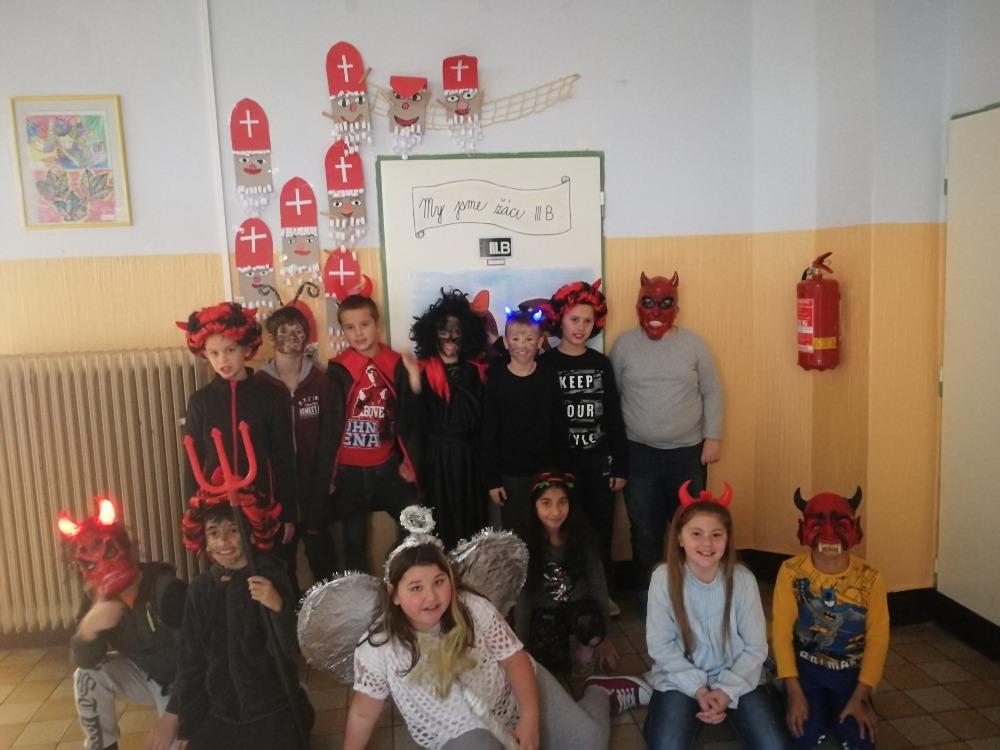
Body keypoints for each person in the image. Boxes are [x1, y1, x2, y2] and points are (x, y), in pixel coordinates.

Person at [343, 507, 650, 750]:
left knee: (587, 741)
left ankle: (600, 693)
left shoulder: (472, 607)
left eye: (439, 582)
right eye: (415, 588)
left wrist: (529, 719)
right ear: (394, 593)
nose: (431, 597)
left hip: (508, 690)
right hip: (456, 724)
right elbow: (363, 712)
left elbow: (515, 661)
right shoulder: (379, 645)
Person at [644, 482, 791, 750]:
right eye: (696, 534)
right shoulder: (663, 578)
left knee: (775, 746)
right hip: (680, 680)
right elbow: (660, 645)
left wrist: (725, 691)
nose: (707, 543)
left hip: (738, 677)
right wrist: (699, 689)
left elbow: (755, 647)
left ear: (727, 539)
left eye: (716, 535)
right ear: (679, 538)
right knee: (666, 745)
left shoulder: (743, 580)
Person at [610, 272, 723, 598]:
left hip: (687, 454)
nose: (656, 312)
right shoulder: (625, 345)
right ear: (638, 306)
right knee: (644, 530)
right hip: (639, 454)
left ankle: (690, 595)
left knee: (691, 527)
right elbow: (612, 397)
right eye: (648, 303)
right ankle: (650, 597)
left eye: (664, 304)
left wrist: (713, 436)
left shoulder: (694, 345)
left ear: (677, 307)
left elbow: (712, 391)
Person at [174, 490, 313, 748]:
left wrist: (278, 607)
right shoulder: (201, 589)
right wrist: (188, 724)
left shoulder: (270, 575)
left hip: (270, 704)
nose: (223, 541)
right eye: (214, 533)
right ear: (205, 541)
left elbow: (290, 647)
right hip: (222, 710)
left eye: (234, 530)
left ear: (250, 534)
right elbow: (191, 660)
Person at [58, 496, 186, 750]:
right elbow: (85, 661)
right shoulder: (96, 599)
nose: (105, 568)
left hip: (183, 682)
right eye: (91, 564)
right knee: (86, 677)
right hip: (146, 675)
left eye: (111, 553)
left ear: (131, 550)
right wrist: (88, 630)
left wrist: (174, 717)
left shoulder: (167, 592)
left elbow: (198, 658)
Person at [178, 302, 297, 558]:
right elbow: (192, 461)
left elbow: (284, 456)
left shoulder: (271, 396)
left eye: (230, 350)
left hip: (262, 505)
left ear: (246, 349)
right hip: (216, 509)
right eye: (214, 353)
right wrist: (193, 514)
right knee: (225, 570)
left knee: (271, 567)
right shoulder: (200, 402)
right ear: (204, 354)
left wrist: (287, 512)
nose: (223, 360)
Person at [772, 488, 887, 750]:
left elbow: (878, 637)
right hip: (807, 671)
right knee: (805, 735)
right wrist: (794, 690)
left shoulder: (870, 577)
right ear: (803, 528)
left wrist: (861, 694)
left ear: (856, 527)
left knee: (860, 741)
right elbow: (781, 632)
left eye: (840, 525)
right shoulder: (790, 572)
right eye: (817, 525)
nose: (829, 534)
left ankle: (846, 704)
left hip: (851, 674)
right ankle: (792, 697)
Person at [539, 280, 628, 610]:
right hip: (561, 466)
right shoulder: (546, 365)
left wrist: (620, 465)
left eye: (587, 321)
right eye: (574, 319)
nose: (580, 327)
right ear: (560, 320)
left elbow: (614, 416)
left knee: (599, 532)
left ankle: (602, 595)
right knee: (562, 532)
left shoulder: (600, 363)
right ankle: (564, 594)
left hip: (598, 463)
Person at [326, 294, 420, 572]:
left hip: (386, 465)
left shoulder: (395, 363)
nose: (358, 333)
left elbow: (410, 417)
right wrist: (329, 475)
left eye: (364, 324)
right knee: (354, 539)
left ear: (377, 324)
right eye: (350, 327)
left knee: (415, 520)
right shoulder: (338, 369)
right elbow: (330, 425)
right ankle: (360, 592)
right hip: (350, 470)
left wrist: (409, 462)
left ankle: (397, 575)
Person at [255, 303, 334, 584]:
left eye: (298, 330)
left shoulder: (320, 381)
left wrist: (327, 482)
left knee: (325, 564)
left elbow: (330, 435)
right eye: (283, 331)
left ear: (307, 336)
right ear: (271, 338)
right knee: (281, 568)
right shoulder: (259, 386)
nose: (291, 337)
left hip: (315, 493)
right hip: (278, 499)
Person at [515, 470, 618, 677]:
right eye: (546, 503)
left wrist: (604, 635)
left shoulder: (583, 537)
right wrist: (520, 646)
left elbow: (598, 585)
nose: (555, 512)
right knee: (551, 663)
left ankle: (582, 646)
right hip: (546, 613)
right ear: (534, 506)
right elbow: (523, 599)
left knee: (589, 625)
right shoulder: (525, 546)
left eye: (562, 502)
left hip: (579, 608)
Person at [410, 289, 489, 548]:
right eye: (444, 331)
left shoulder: (478, 371)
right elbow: (414, 421)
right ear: (433, 334)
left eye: (457, 331)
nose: (451, 338)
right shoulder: (422, 371)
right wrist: (415, 384)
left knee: (473, 521)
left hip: (471, 459)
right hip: (437, 461)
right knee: (441, 522)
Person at [481, 306, 563, 536]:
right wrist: (493, 480)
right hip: (509, 474)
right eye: (515, 338)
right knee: (514, 531)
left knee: (544, 530)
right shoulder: (496, 378)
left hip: (544, 470)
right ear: (506, 342)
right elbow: (489, 431)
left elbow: (558, 425)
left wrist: (559, 470)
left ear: (539, 342)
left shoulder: (548, 376)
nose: (522, 345)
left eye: (529, 339)